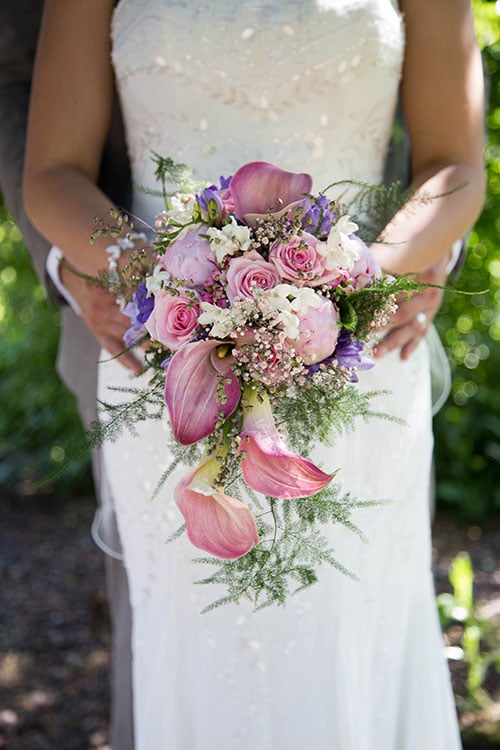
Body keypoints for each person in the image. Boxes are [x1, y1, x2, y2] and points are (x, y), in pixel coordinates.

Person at [23, 1, 485, 748]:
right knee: (193, 647)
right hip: (169, 355)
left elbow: (457, 164)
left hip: (355, 353)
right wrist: (161, 283)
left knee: (353, 644)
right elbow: (51, 170)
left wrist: (360, 278)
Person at [0, 2, 136, 748]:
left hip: (356, 309)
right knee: (157, 601)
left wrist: (416, 251)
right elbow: (17, 75)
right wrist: (72, 261)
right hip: (116, 308)